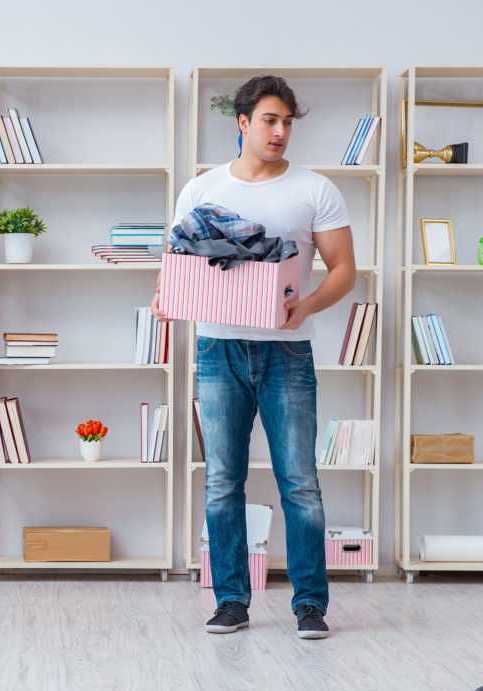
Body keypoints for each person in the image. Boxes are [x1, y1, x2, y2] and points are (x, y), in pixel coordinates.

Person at [152, 75, 356, 637]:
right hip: (217, 348)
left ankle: (310, 604)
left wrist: (308, 306)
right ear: (242, 123)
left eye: (287, 122)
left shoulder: (315, 189)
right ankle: (232, 601)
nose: (280, 132)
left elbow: (344, 270)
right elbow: (179, 262)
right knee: (223, 481)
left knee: (301, 482)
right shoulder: (201, 189)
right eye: (269, 120)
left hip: (287, 351)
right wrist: (166, 295)